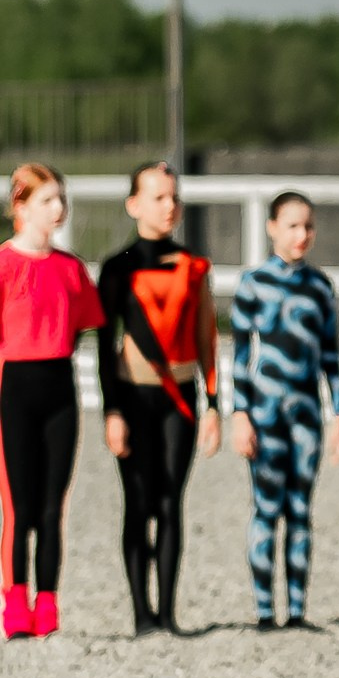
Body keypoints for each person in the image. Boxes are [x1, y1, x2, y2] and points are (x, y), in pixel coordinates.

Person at [97, 161, 222, 635]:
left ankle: (168, 615)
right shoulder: (117, 269)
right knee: (139, 500)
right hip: (132, 397)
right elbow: (104, 346)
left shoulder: (193, 266)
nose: (169, 206)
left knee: (170, 501)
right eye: (158, 197)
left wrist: (213, 404)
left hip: (181, 400)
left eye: (174, 197)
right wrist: (111, 411)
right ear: (134, 205)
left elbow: (207, 339)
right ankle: (141, 615)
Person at [230, 190, 339, 629]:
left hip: (306, 415)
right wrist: (239, 413)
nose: (302, 235)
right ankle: (265, 610)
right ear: (272, 227)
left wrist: (338, 414)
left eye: (308, 226)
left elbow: (330, 357)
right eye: (293, 225)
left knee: (300, 510)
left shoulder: (319, 287)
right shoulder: (253, 283)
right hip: (264, 413)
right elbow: (240, 356)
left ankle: (297, 609)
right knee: (266, 508)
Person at [0, 164, 106, 637]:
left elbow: (86, 325)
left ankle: (49, 602)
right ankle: (14, 603)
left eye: (60, 198)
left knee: (51, 506)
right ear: (19, 207)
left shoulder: (70, 268)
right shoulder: (3, 265)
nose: (58, 208)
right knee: (17, 506)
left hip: (60, 388)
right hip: (13, 388)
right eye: (47, 200)